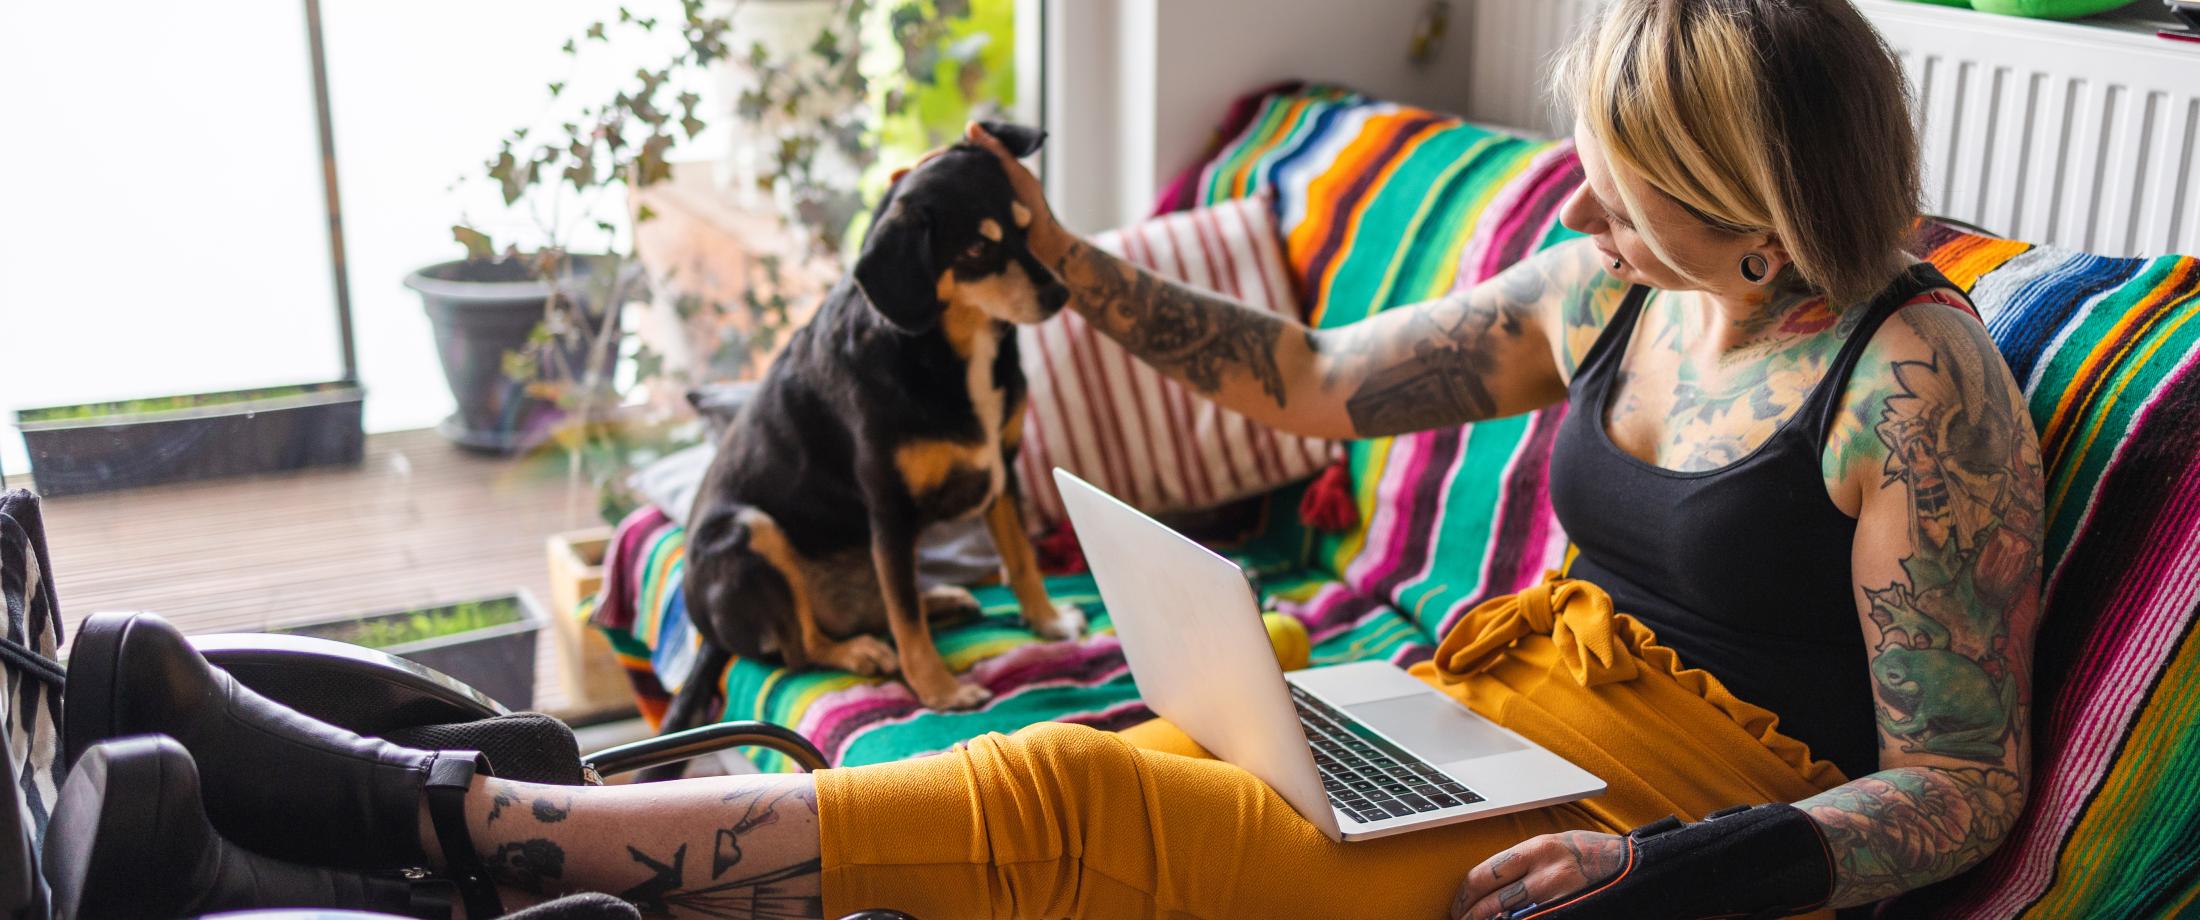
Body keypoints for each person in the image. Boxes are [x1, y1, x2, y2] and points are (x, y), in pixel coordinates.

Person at [48, 1, 2043, 918]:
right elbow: (1304, 384)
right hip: (1484, 712)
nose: (1583, 223)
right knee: (1077, 794)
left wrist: (1656, 875)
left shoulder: (1912, 390)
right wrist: (1074, 270)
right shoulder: (1606, 291)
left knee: (1058, 795)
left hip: (1658, 816)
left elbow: (1960, 778)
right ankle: (305, 855)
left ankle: (427, 826)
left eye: (1633, 200)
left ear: (1771, 201)